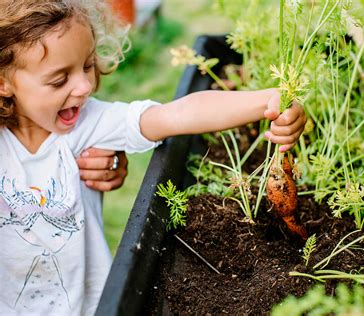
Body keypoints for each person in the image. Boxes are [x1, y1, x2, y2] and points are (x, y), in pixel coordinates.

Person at [0, 0, 307, 315]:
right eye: (59, 79)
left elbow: (176, 115)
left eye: (88, 65)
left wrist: (267, 100)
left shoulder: (85, 126)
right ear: (4, 82)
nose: (85, 86)